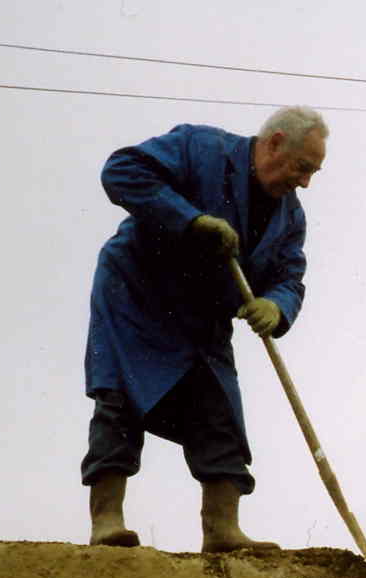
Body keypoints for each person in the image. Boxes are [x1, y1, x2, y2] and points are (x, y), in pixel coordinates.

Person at [80, 106, 328, 550]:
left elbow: (290, 276)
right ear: (274, 143)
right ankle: (107, 520)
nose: (305, 181)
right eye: (302, 167)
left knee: (220, 410)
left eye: (313, 172)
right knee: (120, 399)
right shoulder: (202, 148)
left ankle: (221, 529)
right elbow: (121, 170)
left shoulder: (290, 218)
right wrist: (188, 220)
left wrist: (276, 304)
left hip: (203, 317)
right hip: (137, 296)